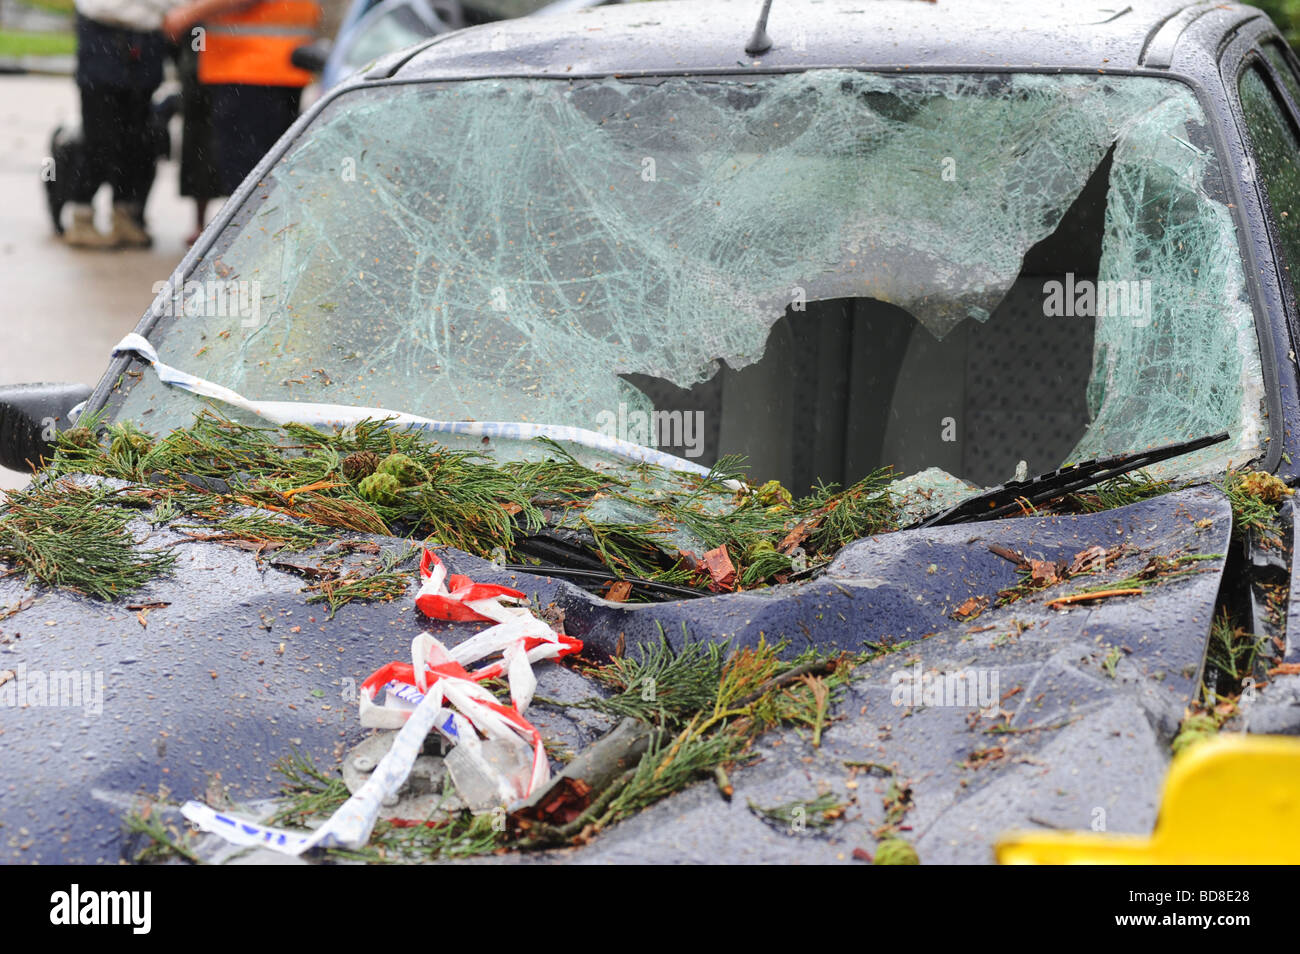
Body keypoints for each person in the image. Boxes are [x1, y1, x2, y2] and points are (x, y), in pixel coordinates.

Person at [163, 0, 320, 198]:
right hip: (276, 63)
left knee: (249, 178)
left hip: (250, 66)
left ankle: (256, 227)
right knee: (269, 171)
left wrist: (187, 14)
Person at [67, 0, 179, 248]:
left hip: (147, 40)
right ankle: (81, 216)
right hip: (103, 32)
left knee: (137, 137)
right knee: (100, 136)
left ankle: (125, 214)